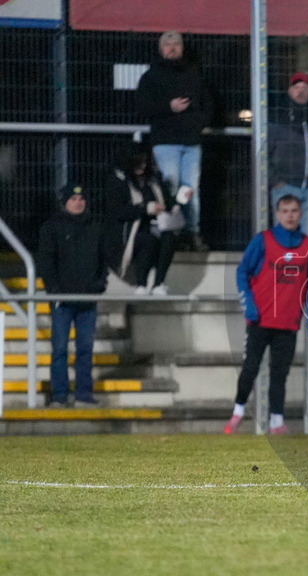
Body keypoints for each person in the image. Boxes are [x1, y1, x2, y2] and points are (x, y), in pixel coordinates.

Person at [224, 195, 308, 435]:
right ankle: (238, 410)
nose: (290, 215)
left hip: (288, 322)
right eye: (285, 211)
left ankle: (277, 421)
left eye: (294, 210)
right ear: (277, 214)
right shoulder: (263, 240)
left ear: (301, 214)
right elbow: (242, 272)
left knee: (280, 374)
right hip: (260, 320)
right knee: (250, 367)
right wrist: (249, 306)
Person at [36, 184, 118, 407]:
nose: (78, 203)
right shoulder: (51, 227)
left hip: (87, 299)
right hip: (62, 300)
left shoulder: (96, 227)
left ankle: (83, 394)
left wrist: (99, 285)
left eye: (81, 199)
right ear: (65, 202)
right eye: (73, 199)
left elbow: (103, 260)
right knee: (60, 348)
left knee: (85, 349)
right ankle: (60, 395)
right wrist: (53, 290)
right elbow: (45, 260)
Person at [135, 30, 213, 252]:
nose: (172, 48)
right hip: (165, 142)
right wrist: (169, 107)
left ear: (182, 47)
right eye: (168, 44)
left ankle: (191, 232)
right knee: (169, 187)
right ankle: (170, 233)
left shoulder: (194, 74)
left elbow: (208, 104)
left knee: (190, 190)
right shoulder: (151, 77)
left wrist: (198, 123)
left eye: (176, 44)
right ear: (161, 49)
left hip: (191, 142)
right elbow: (142, 107)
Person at [105, 144, 185, 296]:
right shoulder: (118, 181)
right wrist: (146, 208)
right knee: (148, 240)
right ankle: (141, 283)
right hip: (130, 229)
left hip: (157, 225)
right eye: (138, 162)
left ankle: (158, 283)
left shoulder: (153, 179)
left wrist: (179, 199)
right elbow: (118, 212)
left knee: (168, 239)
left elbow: (167, 202)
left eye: (144, 162)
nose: (142, 166)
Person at [269, 72, 308, 241]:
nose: (300, 91)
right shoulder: (279, 118)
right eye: (296, 87)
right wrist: (275, 181)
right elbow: (265, 153)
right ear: (289, 91)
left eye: (305, 87)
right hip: (285, 187)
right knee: (284, 238)